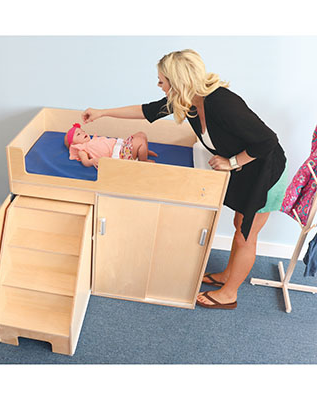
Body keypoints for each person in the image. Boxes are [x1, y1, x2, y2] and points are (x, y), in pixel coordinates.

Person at [81, 49, 287, 310]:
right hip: (248, 170)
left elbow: (267, 141)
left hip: (267, 172)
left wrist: (232, 162)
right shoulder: (187, 100)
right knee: (239, 226)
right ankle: (226, 276)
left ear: (177, 81)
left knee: (246, 236)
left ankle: (229, 294)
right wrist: (101, 113)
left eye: (162, 81)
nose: (159, 85)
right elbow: (147, 110)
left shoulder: (223, 103)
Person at [64, 122, 157, 168]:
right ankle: (143, 161)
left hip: (122, 146)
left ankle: (142, 151)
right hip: (120, 155)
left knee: (141, 134)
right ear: (73, 144)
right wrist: (92, 161)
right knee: (140, 141)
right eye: (78, 134)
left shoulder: (93, 140)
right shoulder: (82, 149)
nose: (83, 133)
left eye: (82, 131)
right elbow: (85, 162)